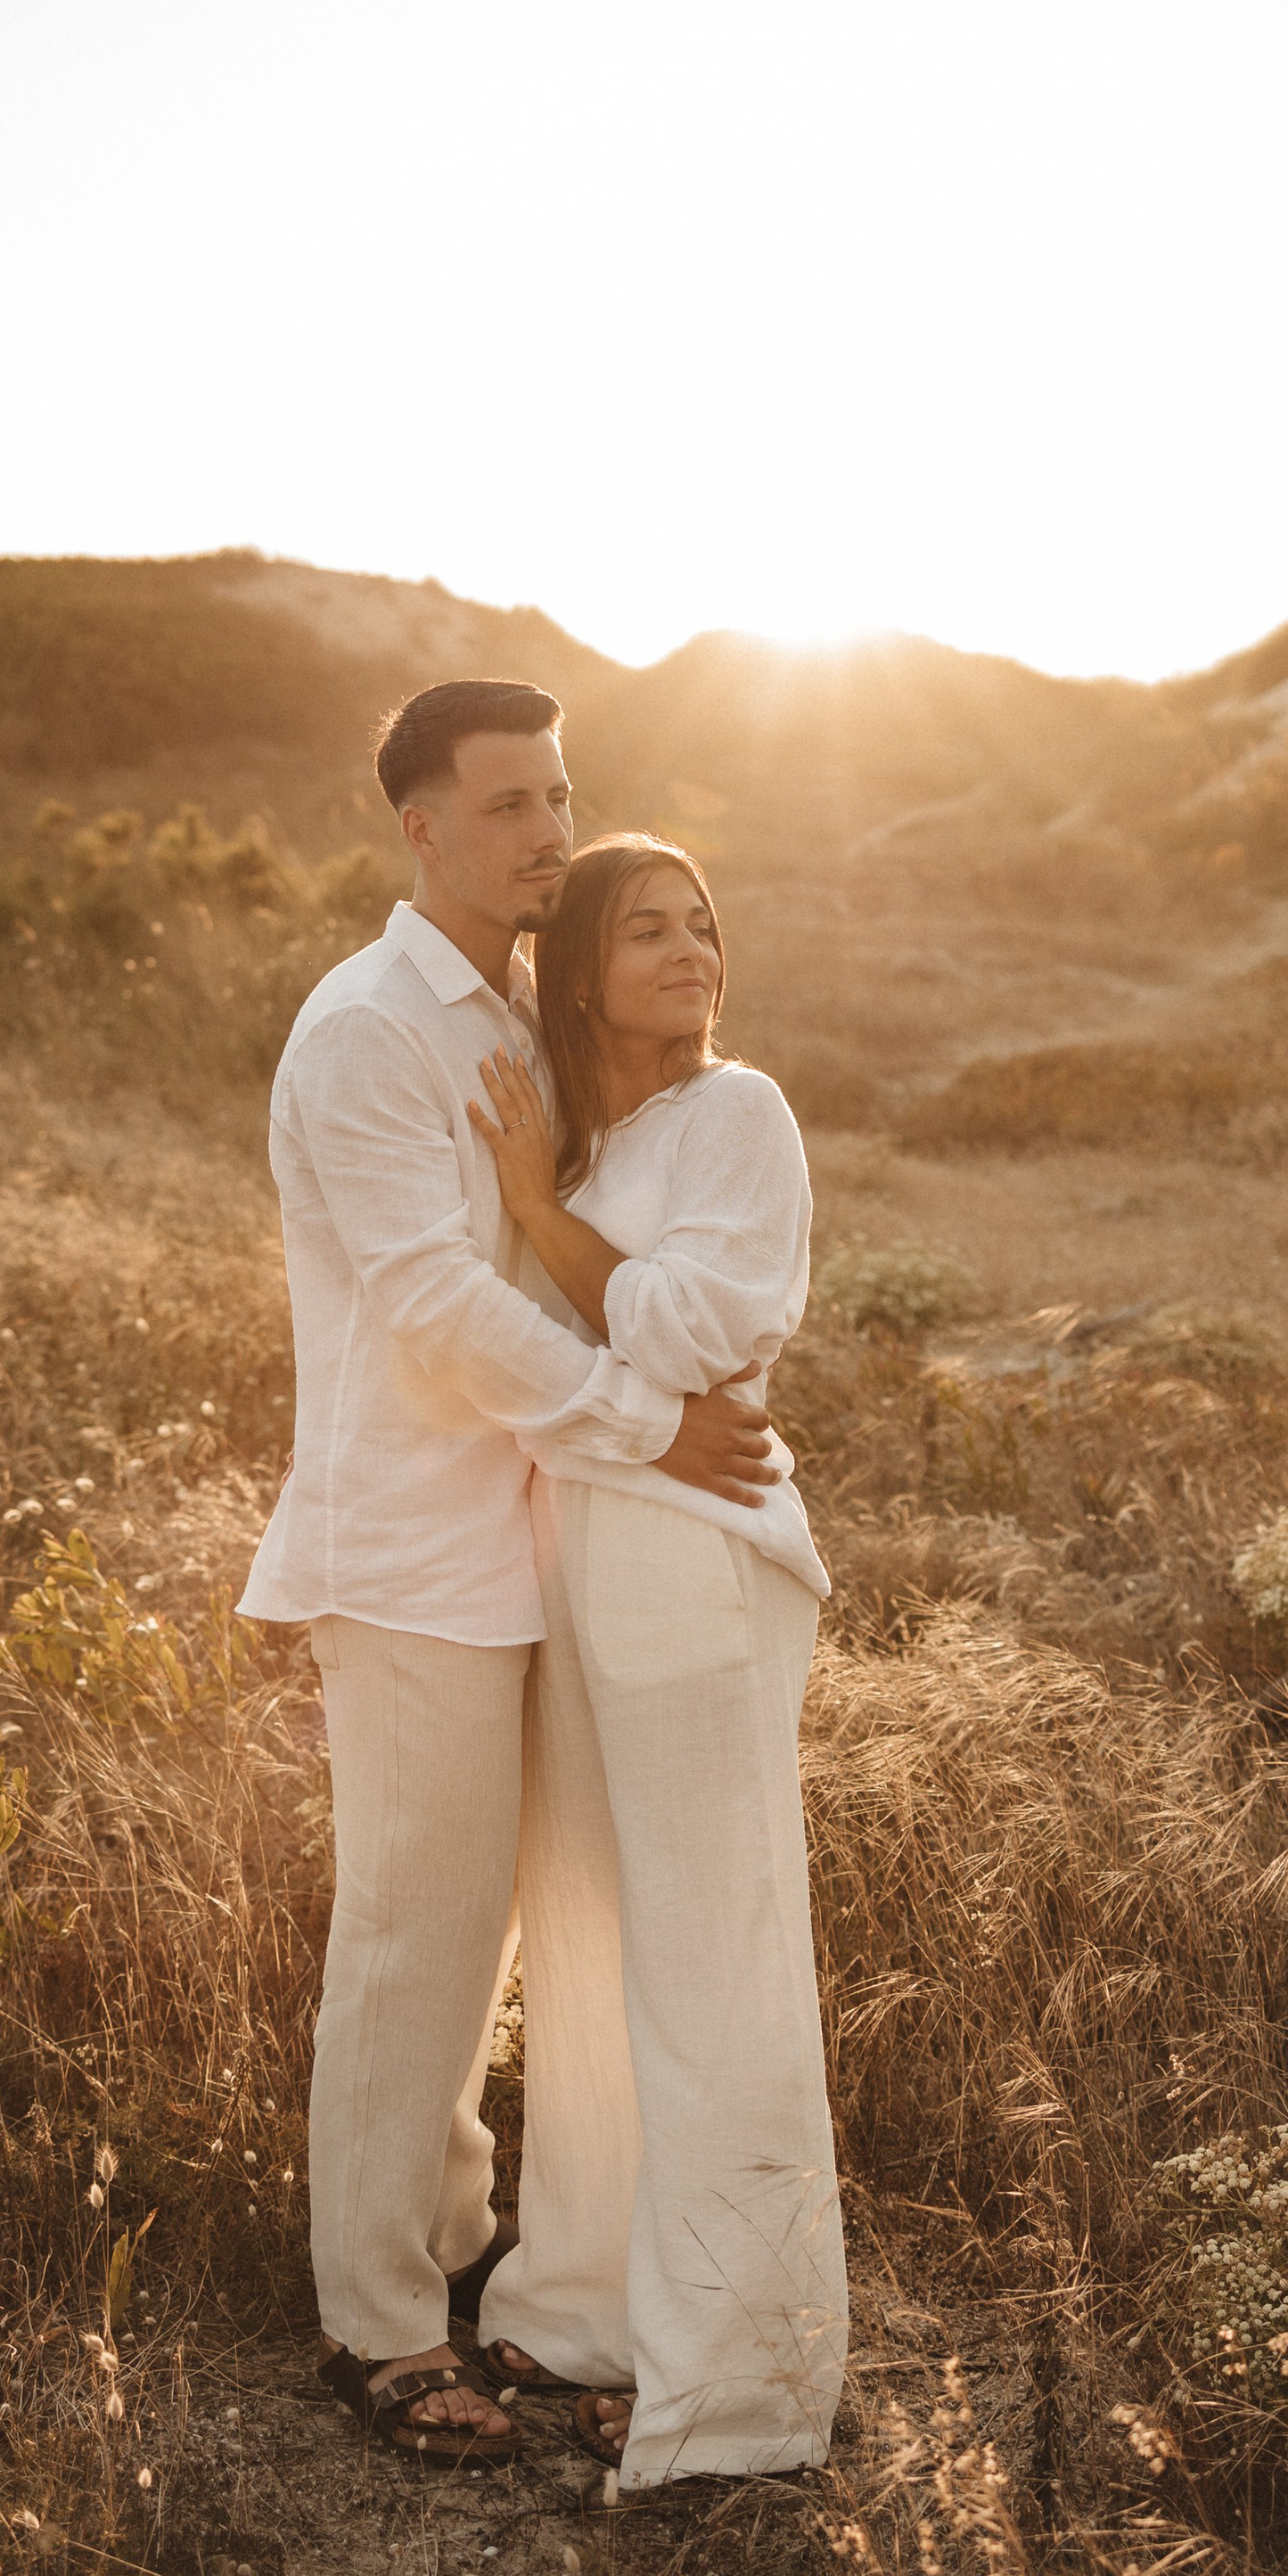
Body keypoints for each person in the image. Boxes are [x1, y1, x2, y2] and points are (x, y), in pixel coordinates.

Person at [239, 682, 780, 2466]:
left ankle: (465, 2242)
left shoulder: (528, 1023)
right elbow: (435, 1309)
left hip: (543, 1531)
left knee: (501, 1938)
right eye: (505, 805)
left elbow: (597, 1243)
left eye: (559, 795)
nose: (548, 830)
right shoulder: (367, 1032)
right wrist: (642, 1420)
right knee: (417, 1933)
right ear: (419, 828)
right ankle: (375, 2324)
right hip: (411, 1548)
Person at [464, 831, 847, 2489]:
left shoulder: (737, 1115)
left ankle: (743, 2387)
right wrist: (552, 1203)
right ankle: (602, 2310)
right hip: (578, 1554)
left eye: (707, 922)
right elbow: (527, 1347)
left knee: (713, 1954)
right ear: (579, 969)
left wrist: (542, 1216)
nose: (694, 949)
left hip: (697, 1556)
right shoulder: (592, 1133)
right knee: (595, 1940)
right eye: (651, 928)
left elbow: (700, 1329)